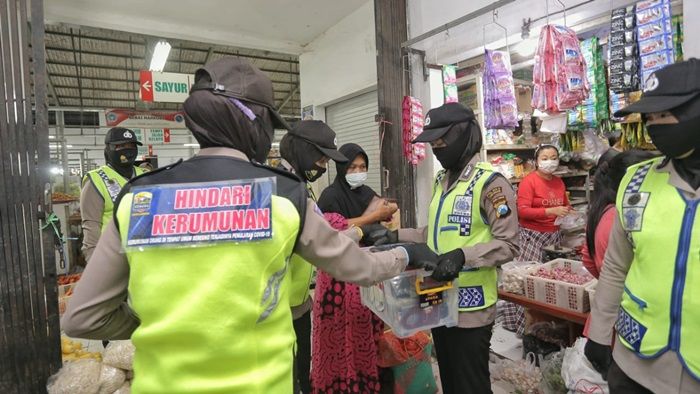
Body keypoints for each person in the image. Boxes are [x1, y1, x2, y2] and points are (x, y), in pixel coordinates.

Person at [61, 57, 438, 394]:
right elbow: (362, 269)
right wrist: (406, 253)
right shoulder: (281, 195)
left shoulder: (137, 197)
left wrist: (162, 323)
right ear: (252, 123)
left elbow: (83, 317)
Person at [366, 102, 520, 393]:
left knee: (470, 384)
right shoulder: (442, 180)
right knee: (449, 381)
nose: (436, 150)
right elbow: (434, 233)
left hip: (471, 306)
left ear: (464, 136)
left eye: (441, 141)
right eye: (432, 143)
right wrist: (397, 235)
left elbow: (509, 243)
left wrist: (464, 256)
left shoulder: (490, 184)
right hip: (439, 301)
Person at [586, 59, 700, 393]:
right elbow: (616, 267)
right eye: (650, 118)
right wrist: (599, 333)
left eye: (665, 114)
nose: (655, 126)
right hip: (632, 364)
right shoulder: (636, 180)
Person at [312, 143, 398, 394]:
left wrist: (386, 214)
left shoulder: (367, 193)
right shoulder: (329, 196)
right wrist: (371, 219)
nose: (357, 171)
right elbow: (331, 231)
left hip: (367, 274)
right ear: (341, 168)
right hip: (338, 280)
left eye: (362, 167)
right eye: (352, 167)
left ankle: (365, 383)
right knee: (340, 337)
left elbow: (385, 216)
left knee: (366, 336)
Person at [278, 120, 349, 394]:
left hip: (299, 304)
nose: (323, 167)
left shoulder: (299, 186)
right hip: (280, 310)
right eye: (320, 159)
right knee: (288, 380)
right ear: (303, 152)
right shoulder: (280, 188)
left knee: (302, 377)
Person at [580, 150, 655, 338]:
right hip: (624, 320)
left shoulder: (602, 210)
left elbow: (588, 258)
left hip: (607, 316)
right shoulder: (622, 217)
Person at [80, 127, 145, 262]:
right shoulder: (96, 180)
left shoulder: (144, 175)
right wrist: (95, 262)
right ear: (109, 149)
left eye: (132, 146)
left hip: (142, 255)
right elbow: (91, 226)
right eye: (121, 146)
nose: (127, 150)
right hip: (112, 257)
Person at [516, 144, 572, 262]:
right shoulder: (528, 182)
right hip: (532, 236)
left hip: (555, 235)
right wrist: (550, 211)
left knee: (552, 272)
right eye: (545, 159)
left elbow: (566, 205)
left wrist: (570, 212)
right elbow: (522, 211)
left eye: (553, 158)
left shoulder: (559, 181)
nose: (550, 162)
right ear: (536, 161)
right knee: (532, 272)